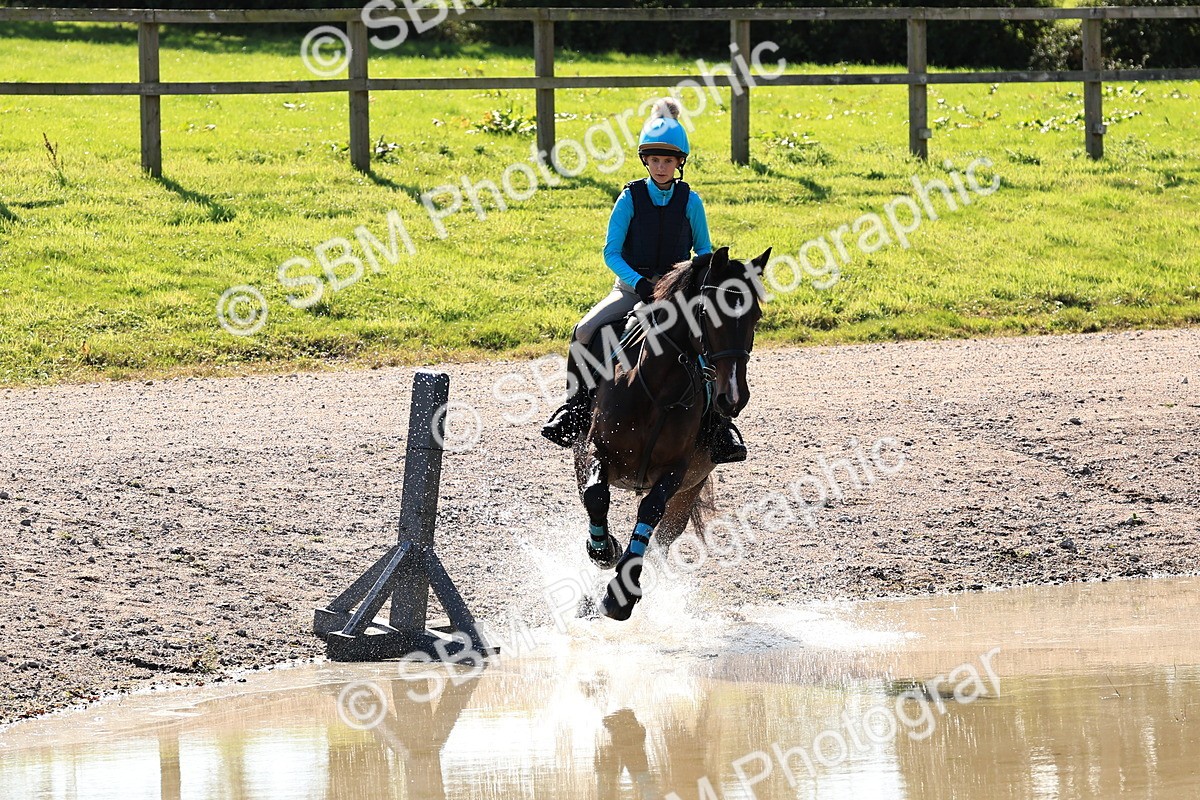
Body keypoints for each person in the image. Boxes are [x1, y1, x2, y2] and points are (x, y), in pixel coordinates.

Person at [540, 97, 747, 463]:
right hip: (631, 288)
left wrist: (689, 282)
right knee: (585, 331)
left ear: (679, 162)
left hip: (678, 294)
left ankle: (718, 427)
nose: (661, 166)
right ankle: (573, 408)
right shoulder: (629, 198)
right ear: (645, 161)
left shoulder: (691, 201)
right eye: (655, 160)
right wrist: (639, 283)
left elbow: (705, 253)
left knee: (709, 339)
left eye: (668, 160)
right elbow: (611, 253)